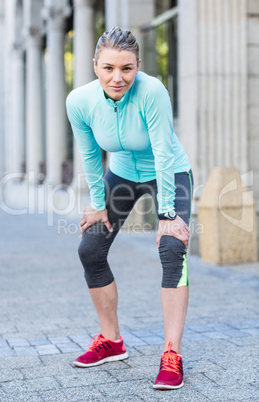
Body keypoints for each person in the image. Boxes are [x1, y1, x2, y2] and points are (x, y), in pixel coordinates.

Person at [66, 27, 193, 390]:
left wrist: (167, 214)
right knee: (90, 247)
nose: (117, 77)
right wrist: (96, 205)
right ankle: (112, 341)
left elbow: (164, 151)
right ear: (94, 66)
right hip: (121, 173)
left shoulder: (152, 91)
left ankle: (172, 353)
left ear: (138, 66)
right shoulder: (79, 101)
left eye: (127, 68)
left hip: (168, 172)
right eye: (108, 68)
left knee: (172, 247)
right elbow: (91, 154)